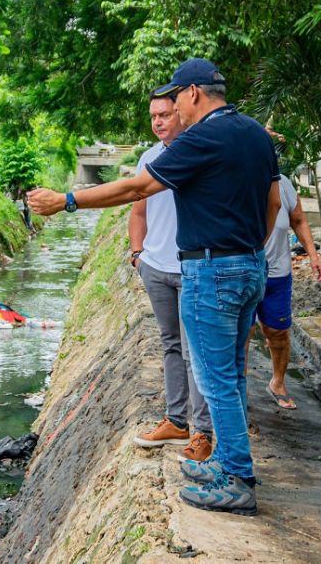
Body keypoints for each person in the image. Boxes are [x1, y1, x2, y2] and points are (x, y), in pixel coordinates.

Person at [28, 58, 281, 516]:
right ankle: (225, 459)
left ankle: (238, 479)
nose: (172, 109)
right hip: (250, 267)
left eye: (175, 98)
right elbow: (273, 200)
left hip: (211, 272)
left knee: (215, 379)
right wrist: (249, 250)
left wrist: (66, 201)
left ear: (194, 94)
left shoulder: (202, 137)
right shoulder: (254, 134)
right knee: (234, 373)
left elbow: (136, 190)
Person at [131, 88, 213, 461]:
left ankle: (202, 431)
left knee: (196, 352)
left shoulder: (199, 155)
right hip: (157, 268)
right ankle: (176, 421)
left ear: (181, 113)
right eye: (153, 116)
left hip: (194, 268)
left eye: (165, 114)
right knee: (171, 346)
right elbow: (138, 211)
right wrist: (138, 255)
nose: (159, 122)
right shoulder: (148, 159)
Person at [248, 172, 321, 410]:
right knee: (242, 334)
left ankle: (278, 382)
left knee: (278, 332)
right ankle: (238, 392)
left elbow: (299, 219)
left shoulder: (283, 183)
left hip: (277, 274)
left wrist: (313, 255)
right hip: (243, 273)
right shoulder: (235, 176)